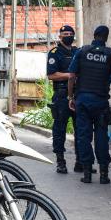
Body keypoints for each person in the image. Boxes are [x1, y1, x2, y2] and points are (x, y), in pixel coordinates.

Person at [67, 25, 111, 184]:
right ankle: (104, 174)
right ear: (106, 38)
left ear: (94, 35)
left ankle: (87, 173)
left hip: (83, 100)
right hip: (101, 101)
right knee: (102, 136)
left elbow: (71, 76)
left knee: (83, 136)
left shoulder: (82, 52)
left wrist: (70, 97)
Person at [46, 25, 85, 174]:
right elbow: (51, 75)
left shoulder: (78, 52)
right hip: (61, 94)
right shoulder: (55, 53)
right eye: (65, 33)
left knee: (80, 129)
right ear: (60, 36)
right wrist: (70, 75)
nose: (68, 35)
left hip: (78, 94)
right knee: (60, 129)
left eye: (70, 33)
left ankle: (80, 161)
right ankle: (60, 161)